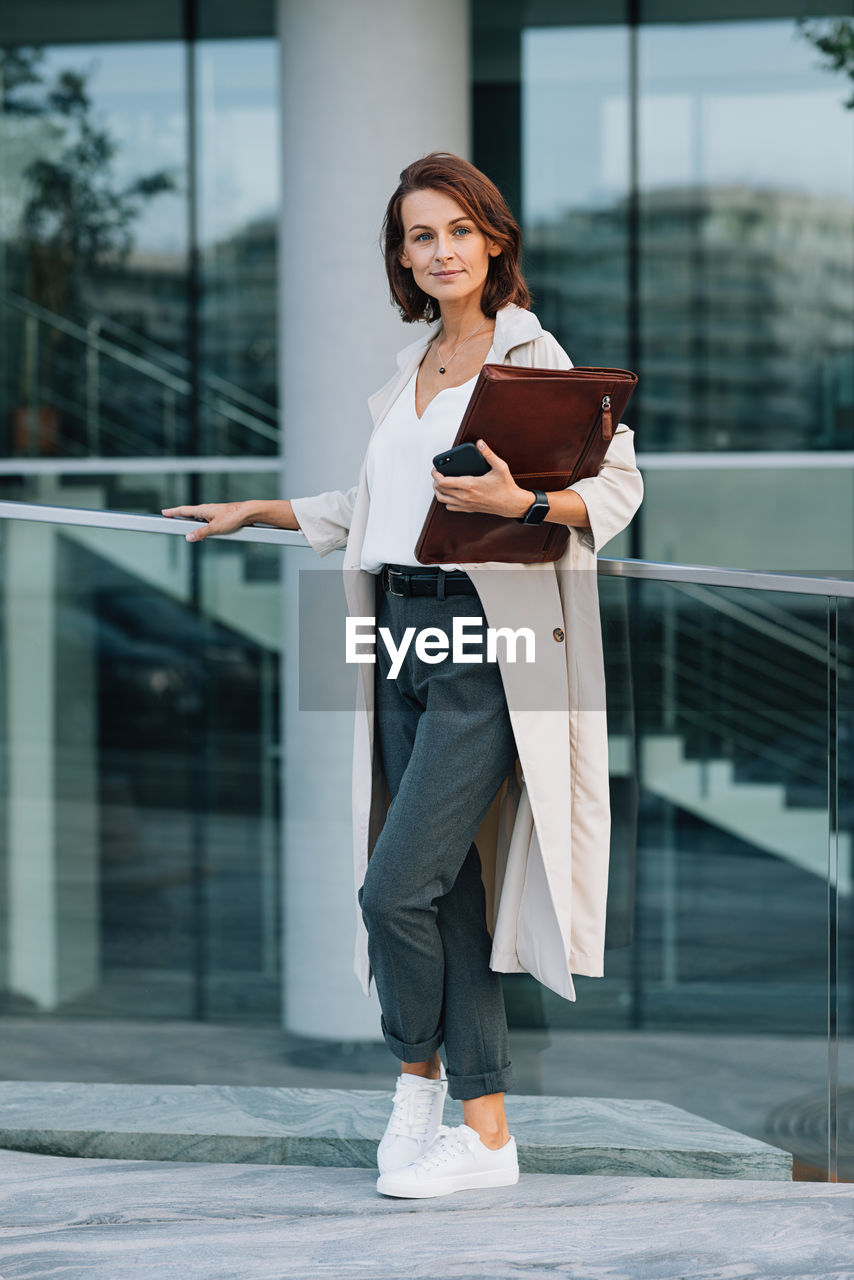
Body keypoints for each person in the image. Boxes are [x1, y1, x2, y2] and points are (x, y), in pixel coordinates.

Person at [163, 152, 643, 1200]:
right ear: (402, 254)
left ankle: (414, 1079)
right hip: (396, 636)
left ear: (494, 241)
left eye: (457, 231)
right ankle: (484, 1133)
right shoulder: (413, 362)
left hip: (485, 641)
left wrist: (520, 505)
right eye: (419, 235)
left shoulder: (526, 350)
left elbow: (614, 483)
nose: (439, 251)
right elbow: (378, 505)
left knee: (393, 886)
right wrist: (260, 509)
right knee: (448, 888)